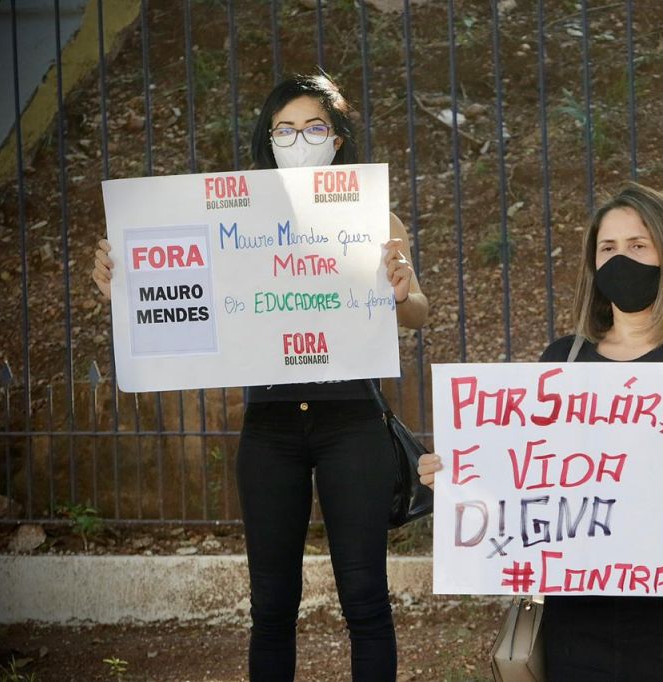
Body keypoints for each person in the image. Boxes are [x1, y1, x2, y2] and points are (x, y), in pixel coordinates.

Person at [92, 72, 429, 682]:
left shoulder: (375, 216)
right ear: (268, 140)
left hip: (353, 422)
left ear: (339, 138)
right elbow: (180, 290)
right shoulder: (235, 221)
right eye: (285, 130)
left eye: (314, 128)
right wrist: (124, 280)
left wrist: (401, 290)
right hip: (270, 428)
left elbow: (418, 311)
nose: (300, 140)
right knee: (271, 606)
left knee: (366, 600)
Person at [417, 182, 663, 680]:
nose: (620, 259)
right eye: (607, 248)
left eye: (638, 245)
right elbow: (528, 481)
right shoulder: (562, 361)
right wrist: (457, 475)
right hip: (582, 621)